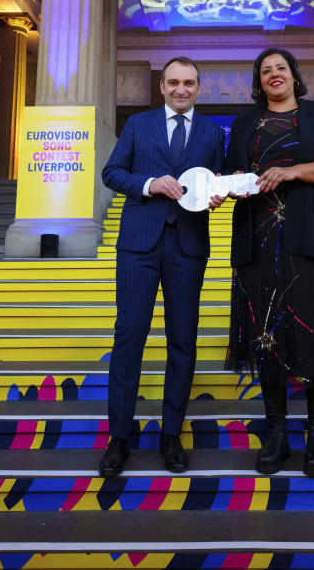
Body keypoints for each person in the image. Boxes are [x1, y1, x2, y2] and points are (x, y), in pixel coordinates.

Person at [224, 48, 314, 478]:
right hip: (258, 241)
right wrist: (219, 190)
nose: (274, 74)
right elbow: (233, 176)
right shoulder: (245, 123)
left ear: (294, 75)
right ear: (258, 81)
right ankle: (278, 434)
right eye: (265, 70)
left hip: (311, 239)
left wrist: (292, 171)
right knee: (266, 334)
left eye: (280, 68)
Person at [99, 56, 227, 477]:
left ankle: (172, 434)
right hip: (138, 245)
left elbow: (218, 180)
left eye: (189, 82)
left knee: (182, 343)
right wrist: (149, 184)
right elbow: (112, 172)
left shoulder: (212, 132)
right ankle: (120, 436)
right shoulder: (138, 125)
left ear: (198, 87)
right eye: (173, 82)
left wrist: (219, 194)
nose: (181, 89)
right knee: (128, 339)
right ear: (162, 87)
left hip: (188, 246)